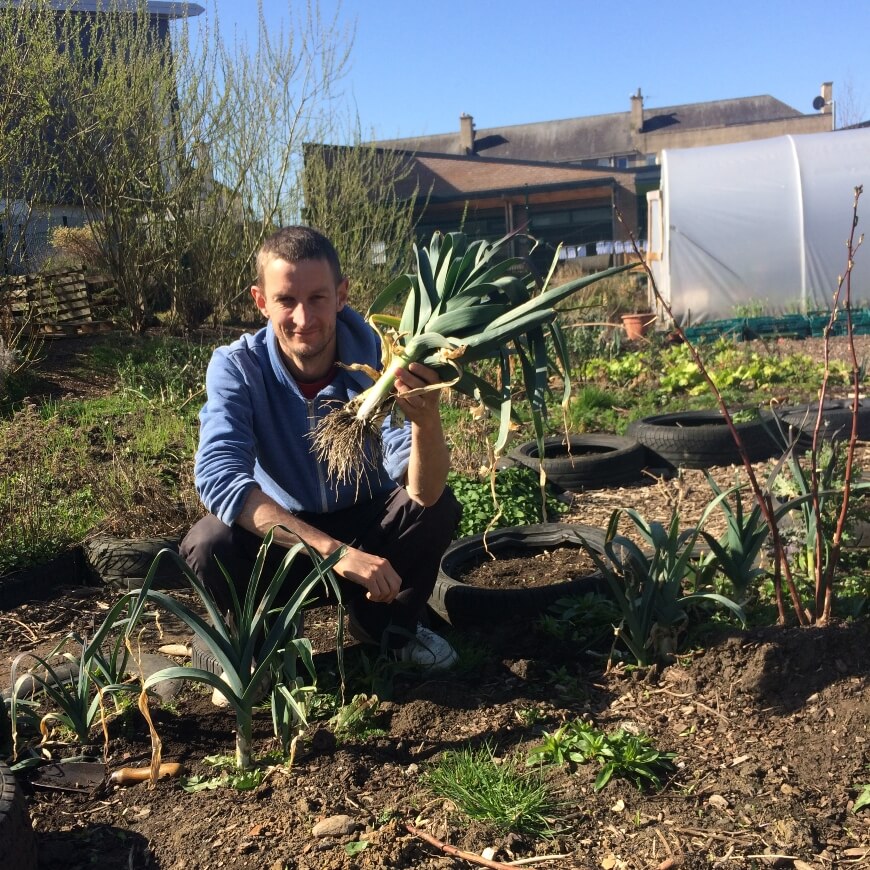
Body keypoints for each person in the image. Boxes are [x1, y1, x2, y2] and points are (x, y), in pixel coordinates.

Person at [180, 226, 461, 703]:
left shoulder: (381, 358)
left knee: (439, 507)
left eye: (317, 297)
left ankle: (387, 628)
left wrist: (426, 421)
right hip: (284, 534)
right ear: (260, 301)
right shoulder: (237, 367)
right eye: (286, 300)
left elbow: (423, 493)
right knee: (209, 541)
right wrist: (334, 554)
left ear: (342, 295)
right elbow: (219, 476)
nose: (303, 318)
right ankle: (256, 642)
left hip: (368, 525)